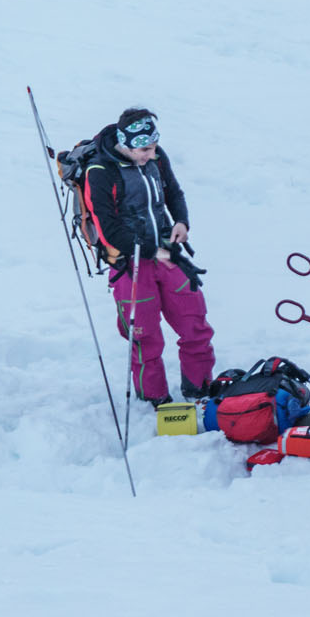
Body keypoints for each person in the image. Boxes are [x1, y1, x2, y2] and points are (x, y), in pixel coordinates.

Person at [83, 107, 215, 406]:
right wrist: (150, 249)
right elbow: (108, 229)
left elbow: (174, 194)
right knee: (144, 336)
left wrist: (181, 222)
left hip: (167, 253)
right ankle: (154, 396)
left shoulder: (156, 156)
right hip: (129, 263)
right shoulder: (100, 172)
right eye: (144, 149)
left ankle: (199, 388)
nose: (151, 154)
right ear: (126, 144)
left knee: (194, 324)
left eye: (154, 147)